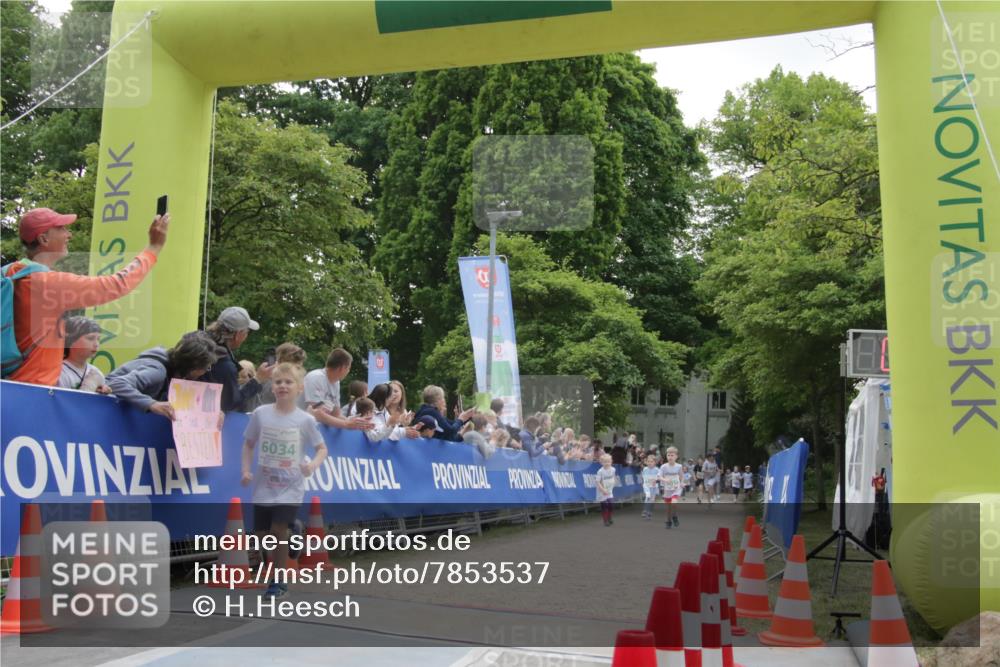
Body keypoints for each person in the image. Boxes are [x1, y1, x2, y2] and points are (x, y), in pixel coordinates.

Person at [3, 208, 169, 385]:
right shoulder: (46, 282)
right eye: (62, 228)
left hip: (9, 384)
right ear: (44, 239)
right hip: (35, 390)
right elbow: (117, 284)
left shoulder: (10, 273)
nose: (69, 234)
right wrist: (153, 247)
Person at [241, 362, 327, 598]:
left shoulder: (305, 420)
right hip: (263, 486)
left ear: (299, 388)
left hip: (291, 487)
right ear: (272, 386)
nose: (282, 386)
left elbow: (322, 449)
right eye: (278, 381)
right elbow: (248, 444)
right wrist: (246, 470)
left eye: (288, 382)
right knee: (261, 536)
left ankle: (277, 582)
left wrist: (311, 465)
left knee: (277, 531)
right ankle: (295, 530)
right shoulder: (261, 414)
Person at [106, 331, 225, 419]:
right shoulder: (157, 371)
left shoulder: (176, 375)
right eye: (205, 368)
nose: (205, 372)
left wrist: (211, 412)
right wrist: (151, 404)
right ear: (192, 367)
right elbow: (115, 383)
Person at [203, 307, 272, 412]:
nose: (246, 337)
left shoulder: (198, 344)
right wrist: (257, 379)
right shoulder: (225, 366)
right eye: (247, 332)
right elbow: (230, 403)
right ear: (238, 334)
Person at [303, 348, 370, 430]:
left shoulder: (336, 383)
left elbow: (336, 414)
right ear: (342, 368)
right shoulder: (316, 377)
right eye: (348, 368)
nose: (348, 371)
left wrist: (357, 423)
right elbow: (317, 414)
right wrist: (347, 424)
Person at [58, 316, 111, 394]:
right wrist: (89, 387)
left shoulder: (96, 372)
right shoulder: (60, 372)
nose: (96, 344)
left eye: (98, 339)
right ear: (71, 341)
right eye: (90, 338)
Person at [659, 446, 683, 528]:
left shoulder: (679, 466)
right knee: (668, 508)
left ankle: (674, 516)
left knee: (674, 502)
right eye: (668, 455)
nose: (670, 457)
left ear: (676, 456)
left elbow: (681, 476)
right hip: (667, 489)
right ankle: (668, 521)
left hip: (676, 488)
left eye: (672, 455)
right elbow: (659, 476)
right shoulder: (663, 467)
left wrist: (682, 483)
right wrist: (665, 480)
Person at [596, 453, 617, 526]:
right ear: (601, 462)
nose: (607, 463)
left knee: (611, 505)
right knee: (605, 506)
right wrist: (603, 490)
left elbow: (614, 477)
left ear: (611, 461)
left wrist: (614, 483)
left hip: (609, 490)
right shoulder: (600, 471)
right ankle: (605, 521)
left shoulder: (613, 469)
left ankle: (609, 517)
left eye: (608, 461)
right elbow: (597, 482)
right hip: (602, 491)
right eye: (605, 462)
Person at [641, 454, 659, 520]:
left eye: (651, 462)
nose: (649, 463)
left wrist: (656, 480)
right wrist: (643, 482)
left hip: (654, 487)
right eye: (648, 461)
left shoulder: (657, 469)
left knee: (652, 500)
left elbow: (659, 477)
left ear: (655, 462)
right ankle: (645, 510)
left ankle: (649, 511)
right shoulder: (645, 469)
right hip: (647, 486)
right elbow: (643, 476)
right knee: (647, 497)